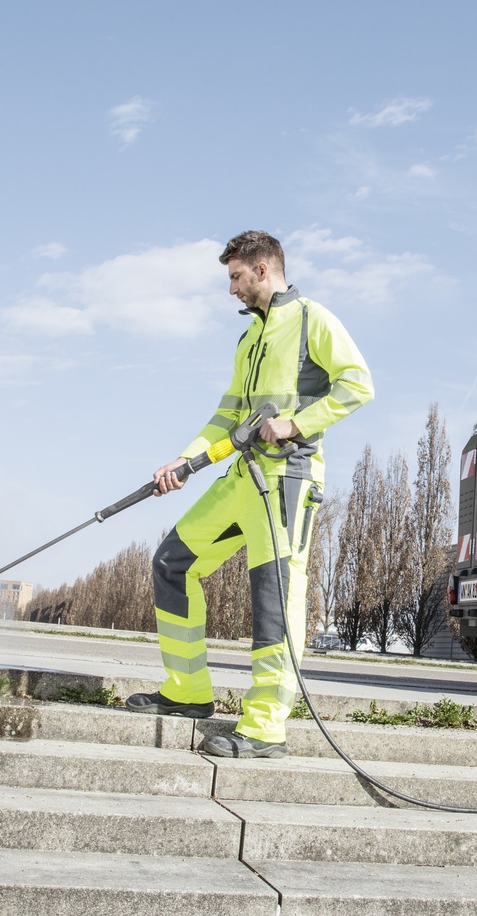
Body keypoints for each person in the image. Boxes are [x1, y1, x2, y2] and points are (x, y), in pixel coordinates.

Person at [126, 230, 373, 759]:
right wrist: (185, 461)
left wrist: (296, 423)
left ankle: (264, 728)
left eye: (236, 277)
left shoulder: (312, 318)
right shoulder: (249, 339)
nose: (231, 289)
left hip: (287, 480)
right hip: (241, 479)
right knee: (172, 563)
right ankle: (187, 693)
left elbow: (358, 384)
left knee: (273, 593)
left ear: (263, 269)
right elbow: (227, 415)